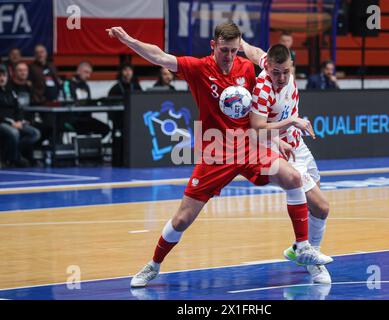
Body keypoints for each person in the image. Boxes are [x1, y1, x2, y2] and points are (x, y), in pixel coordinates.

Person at [106, 22, 332, 288]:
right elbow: (160, 56)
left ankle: (302, 247)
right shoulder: (199, 68)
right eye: (224, 50)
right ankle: (153, 265)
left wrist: (274, 138)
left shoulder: (247, 68)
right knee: (182, 219)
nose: (229, 56)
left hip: (249, 147)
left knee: (293, 178)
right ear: (213, 46)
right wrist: (129, 39)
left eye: (234, 51)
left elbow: (261, 84)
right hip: (216, 153)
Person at [242, 41, 332, 283]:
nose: (281, 78)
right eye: (276, 72)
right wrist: (292, 121)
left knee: (317, 210)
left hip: (297, 143)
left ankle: (299, 250)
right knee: (322, 207)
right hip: (277, 148)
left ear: (291, 66)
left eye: (286, 72)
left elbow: (256, 53)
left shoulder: (273, 64)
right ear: (268, 68)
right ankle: (310, 261)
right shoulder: (262, 88)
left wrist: (240, 42)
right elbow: (257, 129)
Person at [0, 64, 40, 167]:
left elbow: (18, 108)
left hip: (15, 122)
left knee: (35, 133)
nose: (2, 78)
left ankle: (11, 155)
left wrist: (21, 120)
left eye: (4, 75)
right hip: (2, 122)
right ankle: (13, 160)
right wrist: (10, 122)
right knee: (14, 133)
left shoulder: (11, 91)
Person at [66, 62, 110, 138]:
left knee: (105, 129)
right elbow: (68, 101)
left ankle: (93, 146)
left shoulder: (86, 86)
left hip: (86, 118)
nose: (88, 76)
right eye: (86, 72)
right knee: (85, 129)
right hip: (73, 118)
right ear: (78, 71)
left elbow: (88, 102)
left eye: (90, 73)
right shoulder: (68, 84)